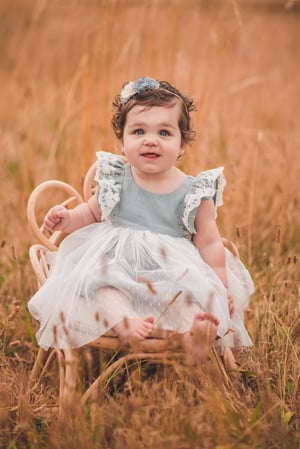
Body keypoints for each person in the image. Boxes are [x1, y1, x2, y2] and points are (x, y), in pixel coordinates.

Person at [28, 77, 254, 363]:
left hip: (168, 271)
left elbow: (209, 245)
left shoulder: (194, 193)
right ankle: (125, 323)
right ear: (122, 143)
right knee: (102, 282)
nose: (151, 140)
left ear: (182, 144)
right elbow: (91, 213)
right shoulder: (117, 181)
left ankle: (192, 333)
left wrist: (219, 288)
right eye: (138, 131)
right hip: (117, 263)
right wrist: (67, 218)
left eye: (164, 132)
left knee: (186, 293)